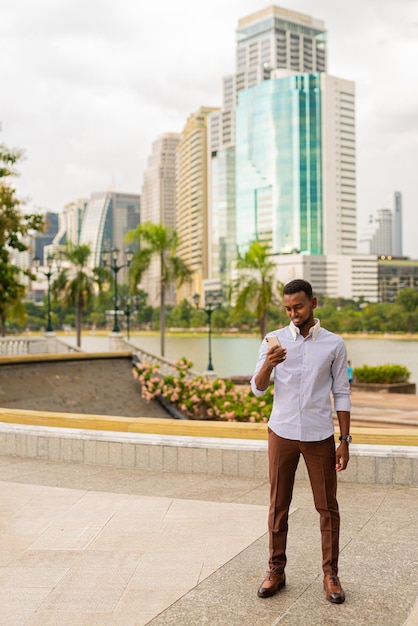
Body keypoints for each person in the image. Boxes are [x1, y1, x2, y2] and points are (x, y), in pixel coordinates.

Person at [251, 279, 351, 604]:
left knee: (327, 508)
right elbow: (258, 387)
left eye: (299, 307)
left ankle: (330, 575)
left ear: (313, 303)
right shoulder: (274, 340)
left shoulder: (334, 345)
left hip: (320, 436)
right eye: (288, 309)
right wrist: (269, 363)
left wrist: (345, 439)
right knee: (278, 505)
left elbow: (341, 392)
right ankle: (275, 571)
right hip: (281, 432)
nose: (293, 313)